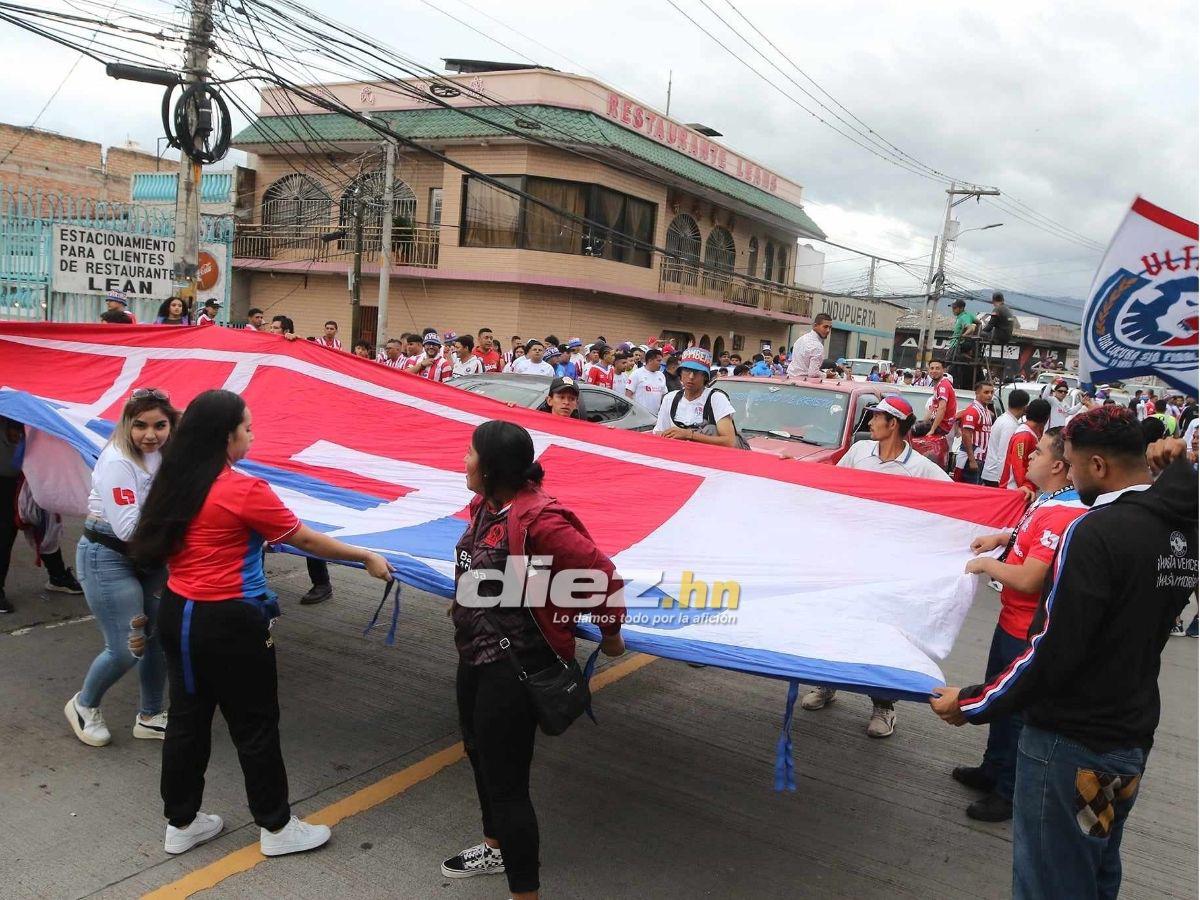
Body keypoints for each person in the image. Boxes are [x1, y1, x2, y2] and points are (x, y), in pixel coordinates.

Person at [930, 407, 1197, 900]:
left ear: (1098, 466)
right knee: (1094, 868)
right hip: (1127, 740)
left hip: (1069, 744)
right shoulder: (1182, 529)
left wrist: (971, 704)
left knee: (1052, 879)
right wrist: (1180, 469)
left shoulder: (1096, 531)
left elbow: (1054, 649)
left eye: (1072, 464)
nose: (1068, 474)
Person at [130, 390, 392, 857]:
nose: (252, 435)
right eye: (247, 429)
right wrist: (366, 554)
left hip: (178, 613)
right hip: (230, 621)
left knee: (188, 721)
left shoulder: (172, 478)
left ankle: (181, 822)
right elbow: (306, 538)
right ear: (226, 437)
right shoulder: (243, 490)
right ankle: (276, 827)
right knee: (254, 724)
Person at [441, 420, 625, 898]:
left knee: (507, 786)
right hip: (475, 657)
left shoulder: (539, 520)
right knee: (477, 753)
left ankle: (525, 892)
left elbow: (602, 576)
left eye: (470, 453)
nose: (464, 459)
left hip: (515, 668)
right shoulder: (487, 505)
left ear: (492, 467)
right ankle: (494, 845)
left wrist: (611, 636)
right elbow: (475, 565)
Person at [953, 427, 1087, 821]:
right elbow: (1030, 538)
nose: (1029, 457)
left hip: (1027, 628)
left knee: (1011, 707)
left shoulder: (1063, 510)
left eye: (1039, 452)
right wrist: (1002, 538)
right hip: (1013, 619)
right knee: (999, 697)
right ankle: (993, 769)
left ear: (1059, 466)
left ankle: (1008, 791)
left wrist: (986, 564)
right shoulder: (1054, 500)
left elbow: (1030, 577)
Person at [803, 395, 949, 737]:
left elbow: (956, 501)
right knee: (838, 624)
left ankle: (884, 707)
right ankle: (827, 684)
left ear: (893, 424)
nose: (870, 424)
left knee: (881, 634)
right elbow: (833, 485)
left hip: (889, 567)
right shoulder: (858, 453)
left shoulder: (921, 468)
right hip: (848, 559)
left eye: (876, 418)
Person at [65, 389, 179, 747]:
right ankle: (84, 705)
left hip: (150, 557)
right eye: (140, 425)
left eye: (160, 425)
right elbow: (128, 529)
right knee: (127, 647)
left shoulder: (165, 454)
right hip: (108, 556)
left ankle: (150, 715)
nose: (150, 434)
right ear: (127, 424)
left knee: (159, 638)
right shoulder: (117, 460)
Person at [0, 418, 84, 614]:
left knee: (47, 524)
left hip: (37, 462)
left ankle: (57, 575)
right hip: (8, 469)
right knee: (6, 528)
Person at [653, 348, 741, 448]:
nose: (691, 376)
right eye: (687, 370)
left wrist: (689, 435)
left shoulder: (716, 398)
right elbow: (658, 433)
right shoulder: (670, 398)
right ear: (680, 374)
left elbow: (729, 441)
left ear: (705, 376)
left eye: (697, 372)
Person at [1001, 399, 1051, 498]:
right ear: (1046, 418)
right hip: (1016, 491)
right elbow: (1018, 464)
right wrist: (1026, 486)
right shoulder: (1023, 436)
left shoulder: (1031, 433)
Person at [982, 389, 1028, 487]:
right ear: (1025, 407)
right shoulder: (1009, 425)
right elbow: (1004, 455)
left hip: (992, 473)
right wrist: (1003, 481)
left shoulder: (1003, 419)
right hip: (996, 476)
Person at [955, 381, 995, 485]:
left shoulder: (986, 411)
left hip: (981, 459)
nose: (990, 395)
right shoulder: (973, 411)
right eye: (986, 392)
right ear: (977, 393)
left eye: (991, 392)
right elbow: (966, 435)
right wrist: (972, 460)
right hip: (972, 460)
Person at [787, 313, 832, 377]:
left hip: (789, 379)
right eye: (825, 327)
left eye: (830, 327)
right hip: (804, 383)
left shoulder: (801, 339)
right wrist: (826, 375)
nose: (828, 330)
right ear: (815, 326)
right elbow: (813, 373)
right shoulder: (817, 346)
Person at [627, 347, 667, 415]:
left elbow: (664, 396)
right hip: (639, 415)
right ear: (650, 360)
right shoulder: (637, 373)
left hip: (655, 416)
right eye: (658, 361)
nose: (660, 363)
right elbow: (628, 394)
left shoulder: (661, 376)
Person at [924, 360, 958, 440]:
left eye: (937, 368)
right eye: (932, 368)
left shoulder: (943, 385)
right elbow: (932, 409)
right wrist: (923, 423)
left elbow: (942, 409)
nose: (934, 371)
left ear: (944, 370)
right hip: (938, 425)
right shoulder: (939, 385)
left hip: (941, 427)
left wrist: (932, 430)